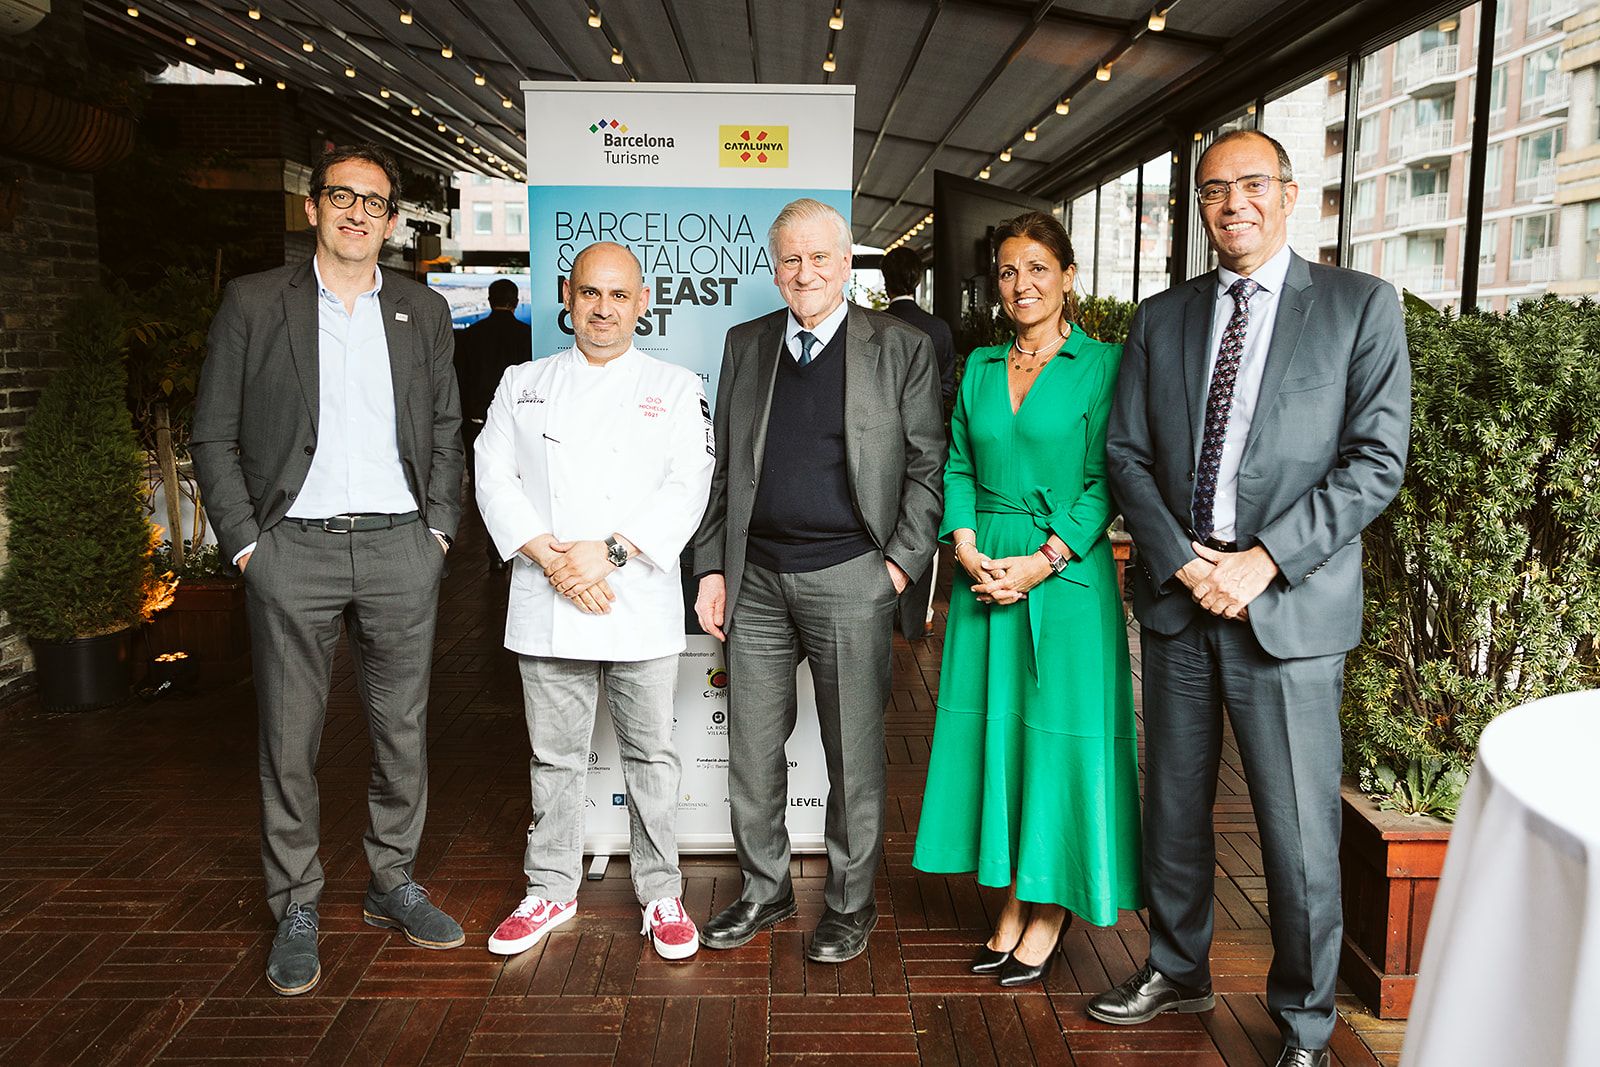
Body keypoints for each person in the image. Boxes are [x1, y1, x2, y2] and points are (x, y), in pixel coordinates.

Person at [1094, 130, 1410, 1067]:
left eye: (1252, 185)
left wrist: (1263, 560)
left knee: (1299, 830)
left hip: (1288, 607)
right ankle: (1177, 964)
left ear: (1289, 193)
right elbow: (1126, 454)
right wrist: (1183, 563)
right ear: (1199, 206)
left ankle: (1307, 1022)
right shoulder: (1162, 317)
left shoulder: (1359, 307)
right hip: (1181, 600)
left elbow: (1375, 462)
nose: (1233, 202)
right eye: (1214, 190)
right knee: (1175, 811)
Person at [192, 143, 466, 997]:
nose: (357, 212)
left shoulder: (422, 310)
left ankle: (391, 881)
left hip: (398, 547)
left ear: (392, 223)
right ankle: (297, 902)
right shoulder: (253, 301)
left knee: (401, 730)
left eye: (374, 202)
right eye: (341, 196)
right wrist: (247, 545)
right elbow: (213, 433)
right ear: (312, 208)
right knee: (289, 738)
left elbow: (445, 432)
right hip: (292, 550)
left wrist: (439, 533)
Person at [692, 198, 946, 963]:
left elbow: (930, 469)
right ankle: (764, 890)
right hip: (757, 579)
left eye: (820, 257)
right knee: (750, 750)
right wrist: (711, 567)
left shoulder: (899, 346)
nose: (806, 273)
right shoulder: (747, 343)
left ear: (847, 263)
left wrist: (897, 566)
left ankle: (848, 903)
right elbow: (724, 469)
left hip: (851, 576)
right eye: (791, 260)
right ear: (775, 270)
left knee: (854, 753)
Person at [911, 211, 1143, 988]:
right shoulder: (978, 366)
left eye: (1038, 268)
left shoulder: (1103, 364)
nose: (1022, 285)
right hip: (985, 576)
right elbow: (955, 467)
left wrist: (1043, 560)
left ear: (1068, 276)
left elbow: (1105, 479)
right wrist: (966, 541)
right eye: (1008, 271)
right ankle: (1013, 892)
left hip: (1066, 580)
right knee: (1001, 743)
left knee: (1060, 741)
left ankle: (1050, 903)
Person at [474, 241, 713, 961]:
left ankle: (661, 890)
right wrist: (555, 559)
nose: (603, 309)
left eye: (619, 295)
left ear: (643, 303)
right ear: (566, 299)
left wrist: (606, 553)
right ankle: (550, 886)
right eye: (590, 294)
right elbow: (492, 476)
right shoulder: (523, 381)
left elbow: (688, 485)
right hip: (549, 601)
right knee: (554, 760)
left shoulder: (675, 387)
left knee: (652, 756)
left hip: (636, 599)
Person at [880, 245, 957, 642]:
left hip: (879, 447)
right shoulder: (939, 328)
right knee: (922, 515)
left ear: (885, 280)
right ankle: (921, 614)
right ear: (917, 279)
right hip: (928, 440)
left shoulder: (873, 324)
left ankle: (881, 605)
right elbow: (946, 389)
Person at [454, 277, 531, 569]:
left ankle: (495, 550)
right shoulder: (527, 335)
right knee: (520, 484)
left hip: (476, 420)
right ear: (516, 302)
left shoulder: (470, 335)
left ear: (488, 300)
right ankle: (514, 545)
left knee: (486, 483)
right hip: (518, 423)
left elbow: (458, 379)